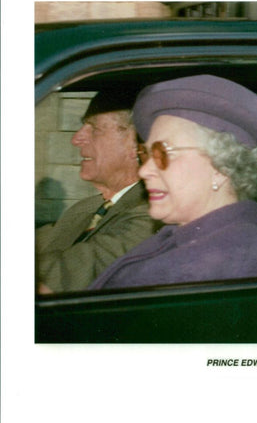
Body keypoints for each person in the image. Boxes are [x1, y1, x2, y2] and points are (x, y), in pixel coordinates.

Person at [89, 74, 257, 289]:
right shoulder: (192, 239)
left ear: (220, 167)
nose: (144, 170)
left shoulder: (216, 268)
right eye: (147, 153)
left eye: (163, 153)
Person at [36, 89, 162, 293]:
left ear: (134, 143)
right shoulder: (87, 208)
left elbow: (57, 278)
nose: (76, 139)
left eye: (94, 128)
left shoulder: (151, 215)